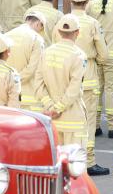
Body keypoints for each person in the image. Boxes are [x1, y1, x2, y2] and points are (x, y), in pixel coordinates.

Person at [69, 0, 110, 175]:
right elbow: (103, 53)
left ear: (71, 1)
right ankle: (89, 161)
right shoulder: (92, 23)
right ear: (86, 2)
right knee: (89, 121)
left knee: (71, 122)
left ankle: (71, 158)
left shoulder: (64, 21)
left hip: (68, 77)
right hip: (89, 74)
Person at [35, 14, 86, 146]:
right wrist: (57, 108)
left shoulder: (47, 52)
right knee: (75, 163)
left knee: (57, 162)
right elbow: (74, 90)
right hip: (73, 118)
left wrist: (50, 106)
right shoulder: (78, 55)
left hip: (53, 120)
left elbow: (38, 84)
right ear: (77, 33)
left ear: (59, 32)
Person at [7, 11, 47, 111]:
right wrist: (15, 81)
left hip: (8, 95)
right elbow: (32, 69)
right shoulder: (37, 39)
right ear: (38, 24)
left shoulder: (7, 35)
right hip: (28, 98)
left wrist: (8, 82)